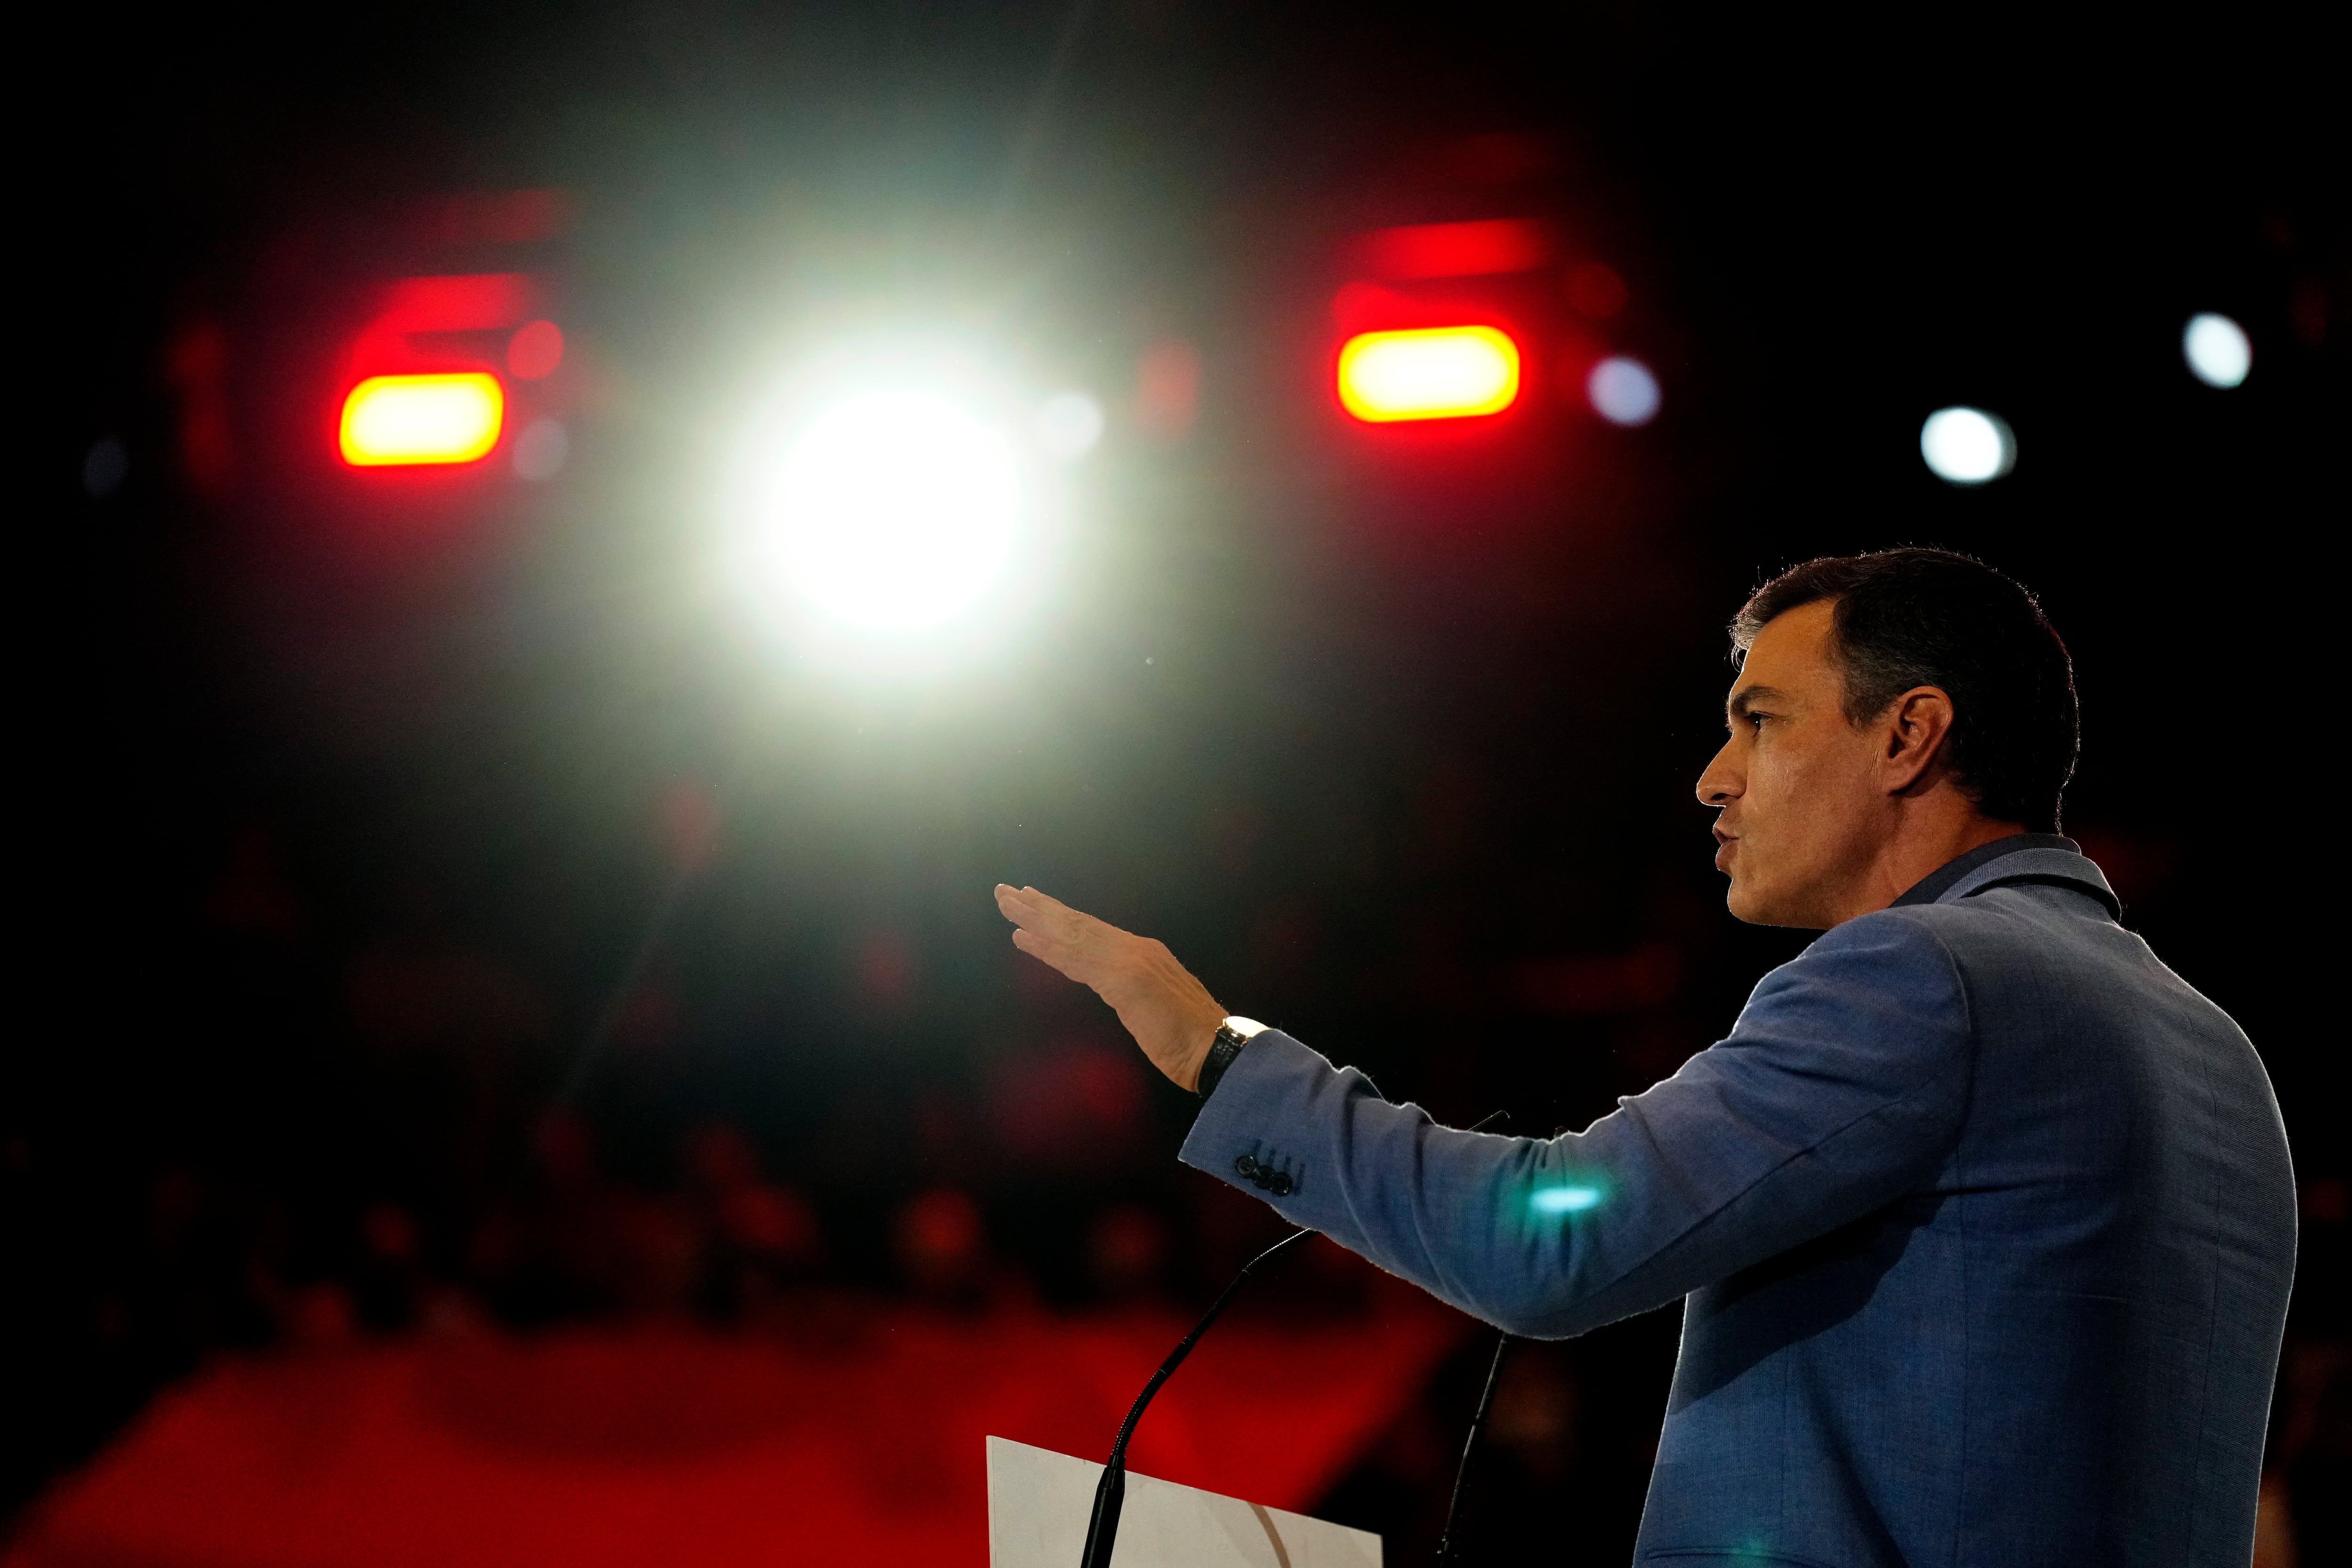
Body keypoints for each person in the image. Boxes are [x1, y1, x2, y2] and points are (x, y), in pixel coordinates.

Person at [993, 548, 2296, 1568]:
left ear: (1910, 737)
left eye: (1762, 722)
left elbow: (1552, 1239)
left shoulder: (1924, 977)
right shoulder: (2212, 1050)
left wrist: (1215, 1052)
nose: (1713, 780)